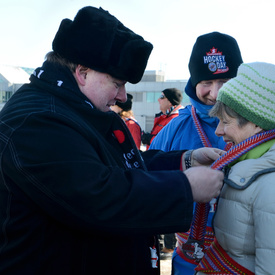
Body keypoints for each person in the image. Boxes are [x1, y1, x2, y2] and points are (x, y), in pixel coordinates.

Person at [0, 6, 225, 275]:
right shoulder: (36, 121)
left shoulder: (82, 108)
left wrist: (183, 161)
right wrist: (184, 188)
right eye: (117, 83)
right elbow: (97, 196)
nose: (122, 96)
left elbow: (121, 166)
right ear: (83, 72)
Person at [149, 32, 243, 274]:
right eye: (207, 83)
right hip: (191, 257)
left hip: (247, 257)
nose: (215, 93)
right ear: (194, 84)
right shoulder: (175, 128)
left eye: (225, 82)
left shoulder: (260, 126)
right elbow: (145, 178)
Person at [195, 62, 275, 274]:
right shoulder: (243, 165)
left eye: (225, 121)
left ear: (257, 123)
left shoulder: (270, 183)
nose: (219, 131)